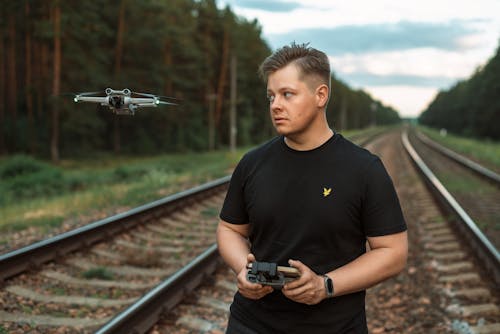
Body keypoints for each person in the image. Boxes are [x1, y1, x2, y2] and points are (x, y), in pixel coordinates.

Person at [216, 42, 408, 333]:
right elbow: (230, 229)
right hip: (251, 323)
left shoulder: (364, 169)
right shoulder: (252, 163)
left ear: (321, 95)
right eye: (271, 96)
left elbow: (393, 252)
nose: (275, 105)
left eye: (287, 94)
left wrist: (326, 285)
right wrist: (244, 268)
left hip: (335, 326)